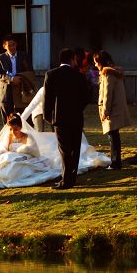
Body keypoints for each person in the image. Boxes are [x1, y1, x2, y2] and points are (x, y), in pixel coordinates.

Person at [0, 95, 110, 189]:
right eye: (12, 129)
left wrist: (20, 151)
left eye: (16, 129)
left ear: (20, 128)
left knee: (14, 169)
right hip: (11, 158)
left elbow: (34, 151)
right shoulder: (9, 136)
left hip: (26, 159)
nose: (14, 132)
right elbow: (4, 149)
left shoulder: (27, 137)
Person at [43, 47, 92, 189]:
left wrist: (48, 116)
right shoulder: (79, 76)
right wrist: (78, 109)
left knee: (64, 149)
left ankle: (66, 180)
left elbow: (48, 98)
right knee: (74, 149)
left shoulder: (51, 74)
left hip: (59, 118)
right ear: (72, 59)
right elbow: (86, 97)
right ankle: (72, 177)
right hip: (76, 117)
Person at [93, 49, 132, 170]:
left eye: (96, 62)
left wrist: (105, 110)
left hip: (111, 109)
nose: (95, 65)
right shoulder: (115, 73)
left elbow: (107, 94)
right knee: (114, 135)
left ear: (100, 62)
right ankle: (116, 161)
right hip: (116, 108)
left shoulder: (107, 74)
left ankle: (115, 162)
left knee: (112, 136)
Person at [0, 35, 35, 120]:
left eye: (14, 45)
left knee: (25, 119)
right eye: (9, 45)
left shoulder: (24, 56)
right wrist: (12, 79)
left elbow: (30, 71)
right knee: (7, 120)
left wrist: (22, 78)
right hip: (5, 92)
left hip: (22, 91)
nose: (12, 47)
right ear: (4, 46)